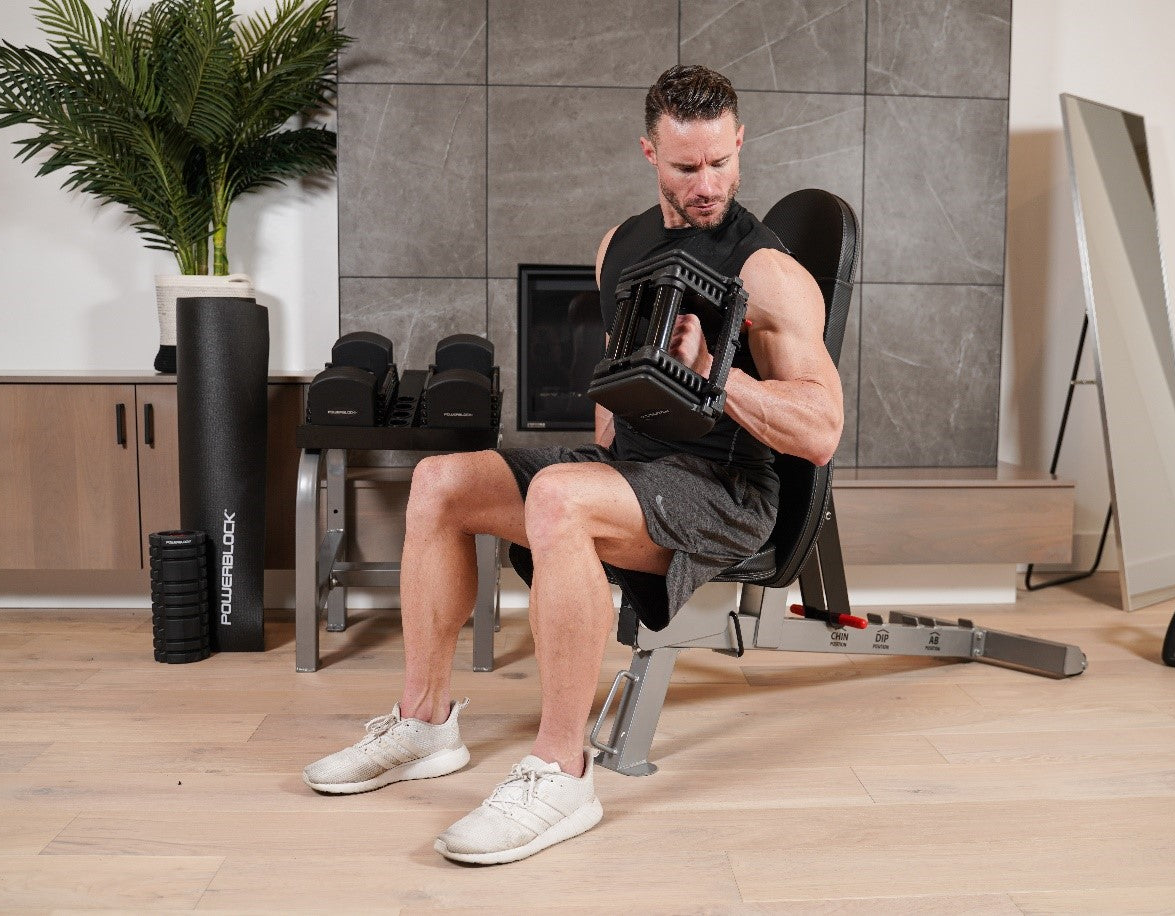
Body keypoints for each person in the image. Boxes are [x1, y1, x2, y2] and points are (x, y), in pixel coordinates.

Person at [302, 64, 844, 865]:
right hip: (637, 471)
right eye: (685, 167)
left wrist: (719, 378)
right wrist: (603, 459)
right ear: (648, 153)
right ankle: (423, 723)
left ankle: (562, 772)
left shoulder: (766, 273)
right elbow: (616, 385)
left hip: (723, 493)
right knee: (441, 481)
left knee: (560, 499)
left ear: (739, 143)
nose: (707, 185)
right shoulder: (618, 246)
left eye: (722, 162)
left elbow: (822, 429)